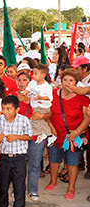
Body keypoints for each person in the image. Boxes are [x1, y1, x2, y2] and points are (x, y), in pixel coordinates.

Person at [45, 69, 90, 200]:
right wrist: (51, 127)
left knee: (72, 162)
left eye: (71, 81)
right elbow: (46, 112)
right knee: (54, 160)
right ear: (61, 81)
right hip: (56, 134)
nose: (68, 83)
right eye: (65, 80)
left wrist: (76, 132)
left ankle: (71, 187)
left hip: (74, 137)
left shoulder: (82, 98)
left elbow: (87, 118)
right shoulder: (53, 94)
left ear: (76, 83)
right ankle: (53, 181)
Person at [0, 95, 32, 207]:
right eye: (3, 108)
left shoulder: (24, 120)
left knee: (19, 186)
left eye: (9, 109)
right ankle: (3, 205)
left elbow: (29, 136)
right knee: (3, 184)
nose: (5, 112)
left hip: (19, 158)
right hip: (4, 157)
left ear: (17, 109)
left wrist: (17, 136)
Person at [24, 64, 54, 144]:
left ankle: (45, 134)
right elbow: (28, 89)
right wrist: (26, 92)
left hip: (42, 106)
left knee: (35, 120)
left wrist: (40, 97)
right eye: (33, 73)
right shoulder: (32, 83)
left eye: (36, 74)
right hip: (35, 105)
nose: (33, 76)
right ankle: (46, 134)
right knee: (40, 122)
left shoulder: (47, 86)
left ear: (43, 75)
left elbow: (50, 98)